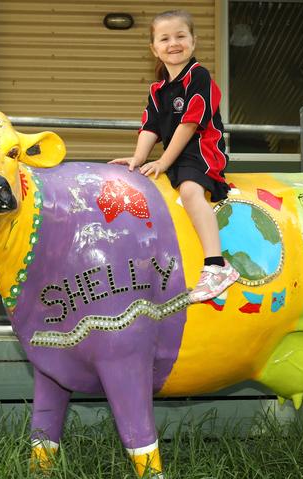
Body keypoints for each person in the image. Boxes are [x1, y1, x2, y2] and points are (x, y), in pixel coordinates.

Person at [109, 9, 239, 303]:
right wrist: (137, 159)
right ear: (154, 48)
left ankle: (217, 266)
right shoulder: (158, 90)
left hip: (201, 151)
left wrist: (163, 161)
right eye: (164, 38)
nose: (173, 43)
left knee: (192, 192)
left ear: (194, 41)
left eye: (181, 36)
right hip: (176, 156)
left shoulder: (199, 76)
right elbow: (150, 127)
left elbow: (190, 123)